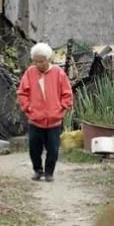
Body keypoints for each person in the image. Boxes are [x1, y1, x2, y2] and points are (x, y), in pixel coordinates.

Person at [17, 43, 73, 182]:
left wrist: (61, 109)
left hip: (54, 120)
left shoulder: (58, 73)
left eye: (41, 61)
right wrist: (28, 108)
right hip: (35, 119)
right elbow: (22, 93)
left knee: (53, 149)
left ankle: (49, 173)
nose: (38, 64)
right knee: (34, 149)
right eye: (35, 61)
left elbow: (67, 94)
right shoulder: (30, 73)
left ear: (48, 59)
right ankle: (37, 170)